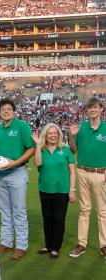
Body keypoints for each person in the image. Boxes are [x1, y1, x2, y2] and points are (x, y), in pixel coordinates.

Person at [0, 99, 35, 260]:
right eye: (3, 109)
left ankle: (21, 245)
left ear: (14, 111)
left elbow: (31, 147)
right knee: (4, 210)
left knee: (19, 210)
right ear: (0, 112)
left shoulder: (22, 126)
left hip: (17, 171)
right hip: (1, 175)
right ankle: (6, 242)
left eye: (9, 109)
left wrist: (16, 162)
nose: (6, 111)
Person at [68, 97, 106, 258]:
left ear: (101, 109)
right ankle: (82, 244)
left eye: (95, 107)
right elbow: (73, 149)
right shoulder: (82, 127)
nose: (93, 110)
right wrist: (71, 135)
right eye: (90, 108)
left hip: (100, 173)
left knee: (102, 211)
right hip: (82, 171)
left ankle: (104, 245)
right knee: (84, 210)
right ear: (87, 110)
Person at [32, 123, 76, 259]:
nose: (52, 135)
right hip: (45, 189)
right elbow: (38, 163)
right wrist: (38, 145)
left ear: (58, 135)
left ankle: (55, 248)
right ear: (45, 135)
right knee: (47, 219)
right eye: (50, 133)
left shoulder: (66, 150)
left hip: (62, 190)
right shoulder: (41, 149)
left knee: (59, 219)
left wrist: (72, 190)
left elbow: (72, 172)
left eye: (55, 133)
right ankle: (48, 245)